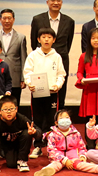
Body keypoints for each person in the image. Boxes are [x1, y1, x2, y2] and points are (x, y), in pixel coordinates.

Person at [24, 27, 67, 159]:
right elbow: (27, 72)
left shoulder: (57, 56)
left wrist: (58, 85)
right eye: (43, 37)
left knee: (51, 120)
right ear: (38, 39)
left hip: (52, 93)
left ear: (54, 40)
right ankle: (37, 146)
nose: (46, 40)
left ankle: (51, 147)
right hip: (37, 93)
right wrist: (29, 83)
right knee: (37, 119)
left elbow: (61, 74)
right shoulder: (33, 55)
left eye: (49, 37)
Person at [34, 109, 98, 176]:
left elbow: (82, 147)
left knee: (83, 165)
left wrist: (82, 156)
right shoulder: (52, 135)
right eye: (61, 118)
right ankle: (44, 171)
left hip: (74, 158)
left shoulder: (76, 133)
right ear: (56, 123)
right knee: (55, 165)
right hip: (59, 158)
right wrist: (64, 160)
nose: (65, 120)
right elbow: (51, 151)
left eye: (67, 118)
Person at [30, 0, 75, 108]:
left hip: (61, 60)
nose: (55, 2)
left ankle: (59, 116)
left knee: (60, 94)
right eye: (53, 0)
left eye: (58, 0)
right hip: (41, 61)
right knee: (40, 95)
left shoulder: (69, 21)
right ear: (47, 2)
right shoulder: (37, 19)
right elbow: (34, 42)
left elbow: (68, 43)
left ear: (62, 3)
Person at [0, 95, 41, 172]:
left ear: (16, 109)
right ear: (0, 111)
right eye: (5, 109)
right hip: (7, 146)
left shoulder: (22, 119)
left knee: (27, 133)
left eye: (11, 109)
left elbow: (39, 132)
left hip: (21, 144)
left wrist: (34, 132)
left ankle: (22, 161)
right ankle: (6, 155)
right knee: (11, 165)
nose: (9, 112)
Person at [0, 9, 27, 106]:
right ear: (0, 19)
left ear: (13, 19)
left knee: (14, 105)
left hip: (14, 77)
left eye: (9, 18)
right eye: (4, 18)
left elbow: (23, 58)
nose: (7, 21)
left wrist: (23, 78)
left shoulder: (21, 37)